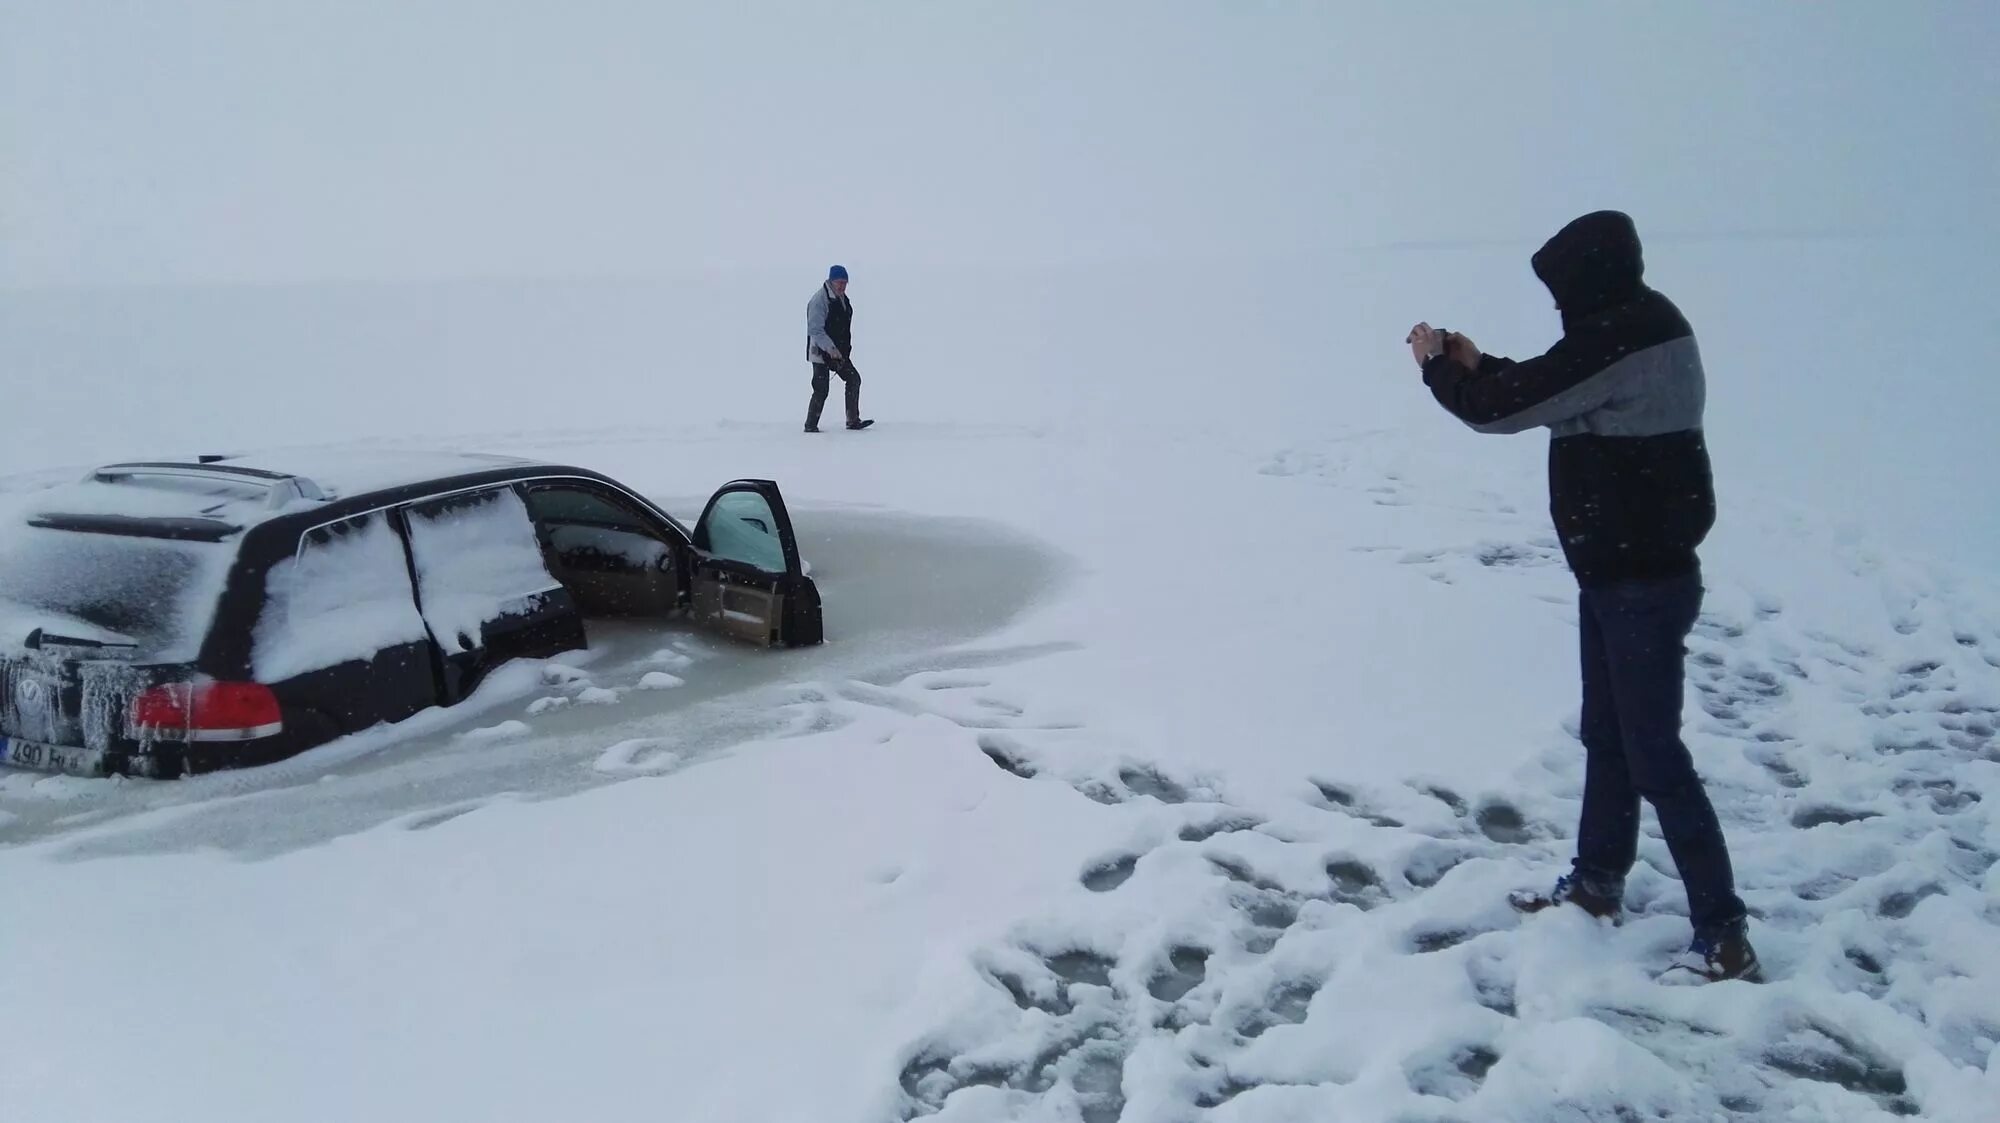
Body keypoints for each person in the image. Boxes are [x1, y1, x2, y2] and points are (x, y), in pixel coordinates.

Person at [1406, 209, 1758, 985]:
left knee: (1655, 755)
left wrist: (1443, 369)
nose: (1559, 305)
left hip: (1643, 582)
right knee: (1609, 733)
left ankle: (1724, 933)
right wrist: (1482, 360)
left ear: (1588, 279)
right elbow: (1554, 385)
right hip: (1618, 573)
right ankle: (1598, 883)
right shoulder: (1635, 324)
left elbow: (1505, 406)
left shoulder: (1627, 336)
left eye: (1562, 290)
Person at [804, 264, 872, 432]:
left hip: (837, 352)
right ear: (831, 281)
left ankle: (852, 420)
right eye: (839, 282)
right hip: (820, 352)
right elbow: (815, 330)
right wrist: (830, 349)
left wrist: (841, 350)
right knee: (821, 389)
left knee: (853, 379)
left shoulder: (842, 299)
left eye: (844, 282)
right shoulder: (819, 300)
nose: (842, 286)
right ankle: (810, 426)